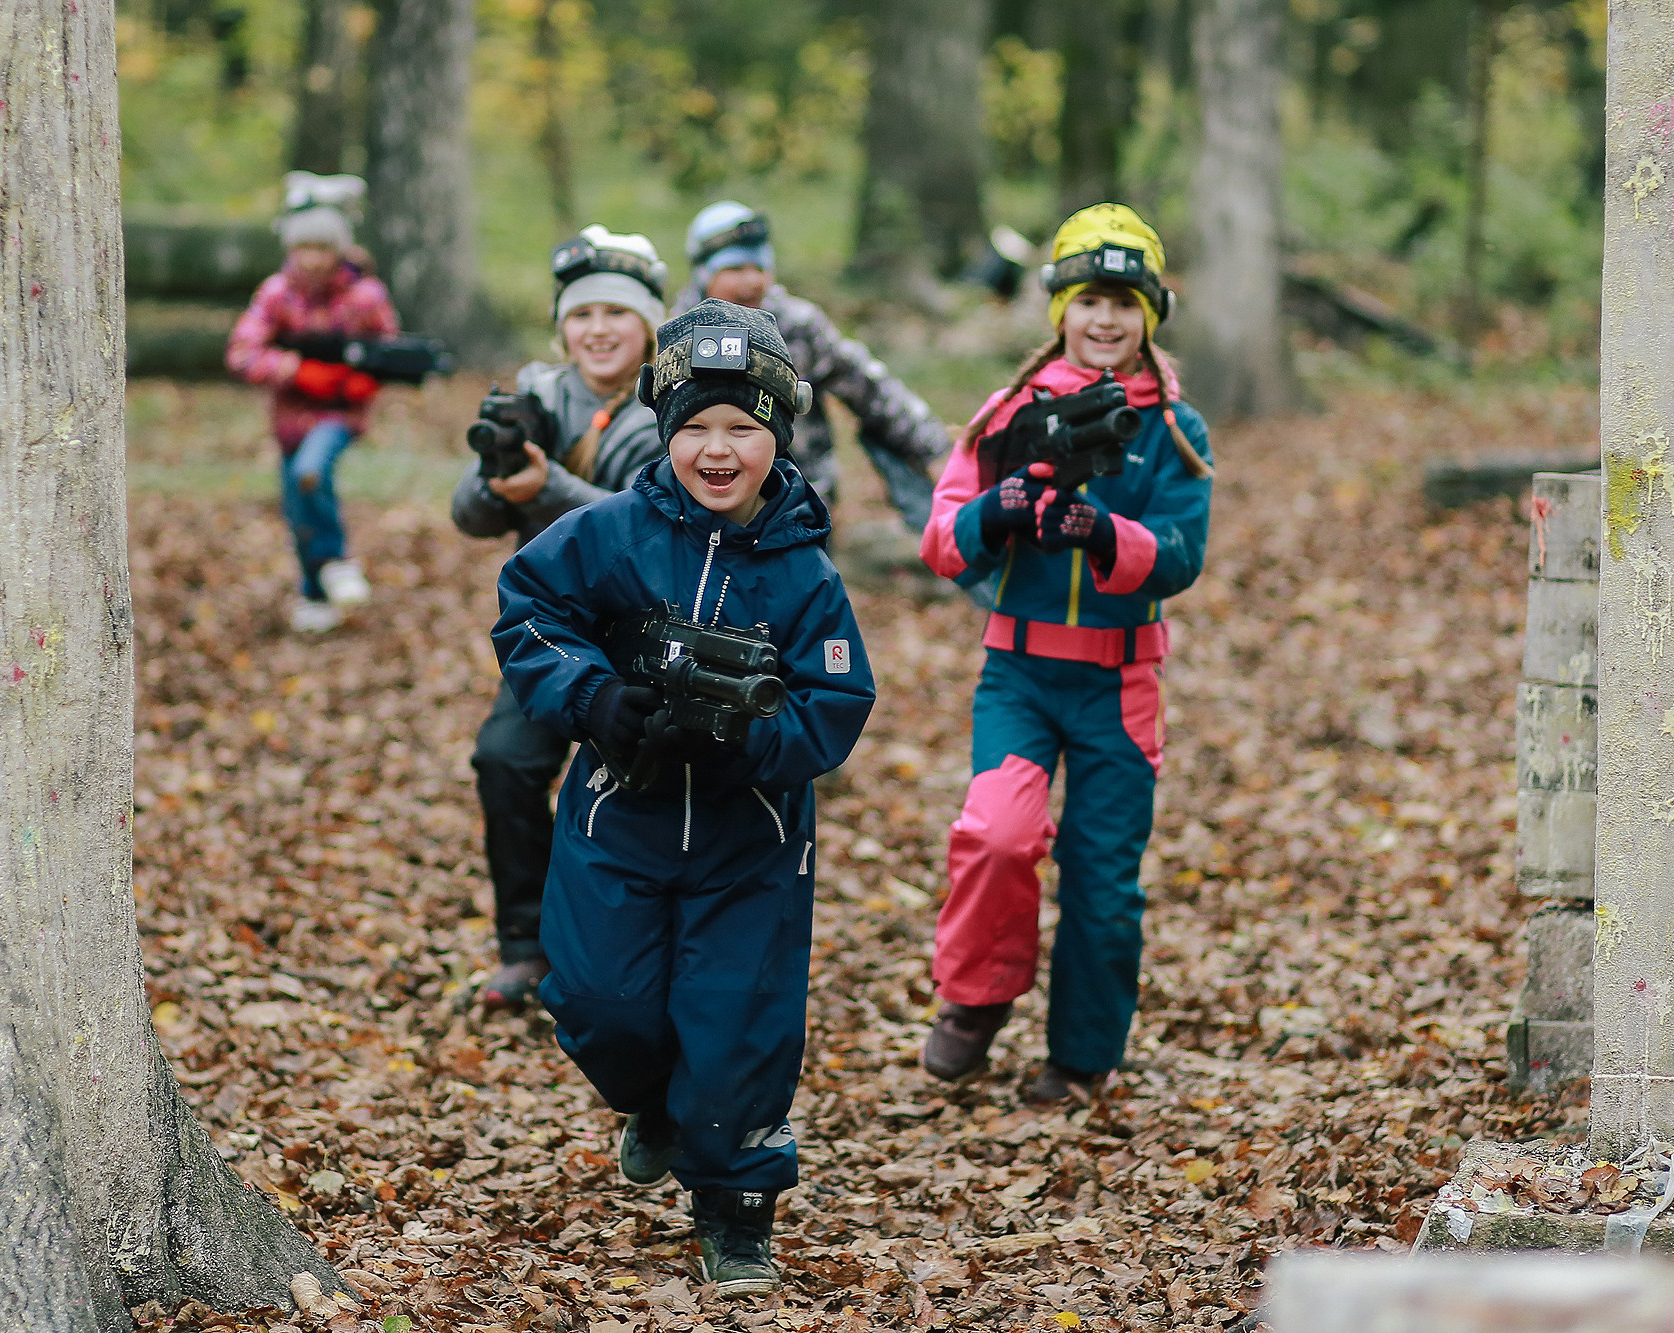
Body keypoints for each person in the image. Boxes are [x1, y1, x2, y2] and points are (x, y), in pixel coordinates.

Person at [491, 299, 875, 1296]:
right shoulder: (609, 534)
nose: (716, 449)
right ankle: (650, 1101)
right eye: (695, 426)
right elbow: (529, 610)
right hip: (617, 817)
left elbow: (837, 700)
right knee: (599, 1002)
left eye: (742, 427)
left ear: (776, 435)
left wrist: (748, 736)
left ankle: (735, 1212)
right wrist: (594, 697)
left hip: (749, 843)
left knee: (735, 1022)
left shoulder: (804, 574)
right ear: (663, 428)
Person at [915, 204, 1215, 1103]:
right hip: (1019, 675)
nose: (1105, 320)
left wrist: (1101, 530)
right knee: (996, 833)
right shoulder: (1009, 412)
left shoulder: (1174, 428)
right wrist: (999, 509)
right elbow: (942, 541)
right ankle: (976, 1000)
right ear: (1060, 309)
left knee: (1101, 876)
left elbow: (1183, 553)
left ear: (1150, 314)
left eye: (1125, 303)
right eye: (1089, 300)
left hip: (1120, 683)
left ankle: (1082, 1055)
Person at [451, 226, 669, 1009]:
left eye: (617, 312)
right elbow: (470, 516)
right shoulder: (537, 398)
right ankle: (526, 945)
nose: (598, 329)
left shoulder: (675, 403)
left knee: (637, 789)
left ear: (649, 324)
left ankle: (629, 956)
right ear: (560, 326)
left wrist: (546, 488)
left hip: (650, 632)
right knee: (504, 761)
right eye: (581, 314)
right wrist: (498, 471)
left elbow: (646, 526)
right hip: (554, 630)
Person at [670, 202, 951, 534]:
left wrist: (933, 447)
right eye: (734, 269)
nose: (751, 280)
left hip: (801, 502)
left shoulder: (796, 326)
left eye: (759, 267)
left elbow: (869, 387)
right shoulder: (678, 337)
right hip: (704, 505)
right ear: (703, 274)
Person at [226, 183, 399, 633]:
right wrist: (296, 370)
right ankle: (314, 594)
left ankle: (337, 560)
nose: (312, 259)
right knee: (297, 508)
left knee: (311, 473)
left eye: (322, 248)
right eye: (303, 247)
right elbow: (242, 352)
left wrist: (364, 379)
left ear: (338, 249)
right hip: (289, 421)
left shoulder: (365, 296)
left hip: (339, 416)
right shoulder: (276, 294)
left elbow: (390, 351)